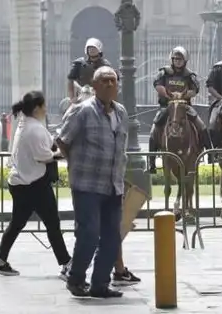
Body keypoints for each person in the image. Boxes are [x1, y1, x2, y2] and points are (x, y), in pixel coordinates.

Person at [55, 66, 127, 299]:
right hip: (87, 185)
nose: (109, 84)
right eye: (103, 81)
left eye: (112, 81)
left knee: (112, 236)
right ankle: (76, 279)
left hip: (113, 185)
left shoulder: (121, 112)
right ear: (94, 86)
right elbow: (63, 140)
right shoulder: (82, 111)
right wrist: (76, 163)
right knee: (89, 233)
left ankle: (100, 284)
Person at [0, 91, 72, 278]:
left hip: (21, 182)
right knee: (52, 224)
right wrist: (59, 154)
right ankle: (66, 263)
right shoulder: (34, 128)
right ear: (37, 108)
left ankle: (0, 260)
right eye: (43, 106)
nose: (46, 109)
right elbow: (43, 156)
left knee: (17, 223)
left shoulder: (24, 123)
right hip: (35, 184)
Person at [148, 46, 210, 172]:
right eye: (175, 59)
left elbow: (194, 90)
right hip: (167, 106)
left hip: (184, 106)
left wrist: (182, 96)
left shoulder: (189, 75)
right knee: (154, 130)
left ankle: (211, 154)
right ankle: (152, 163)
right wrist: (168, 95)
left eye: (180, 59)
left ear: (185, 61)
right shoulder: (164, 72)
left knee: (202, 126)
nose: (177, 61)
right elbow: (158, 85)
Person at [66, 38, 111, 104]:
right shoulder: (79, 63)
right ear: (86, 50)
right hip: (81, 95)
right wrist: (72, 98)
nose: (91, 50)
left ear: (99, 49)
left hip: (100, 97)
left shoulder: (105, 65)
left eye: (94, 48)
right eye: (90, 48)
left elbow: (112, 81)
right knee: (70, 113)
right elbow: (71, 80)